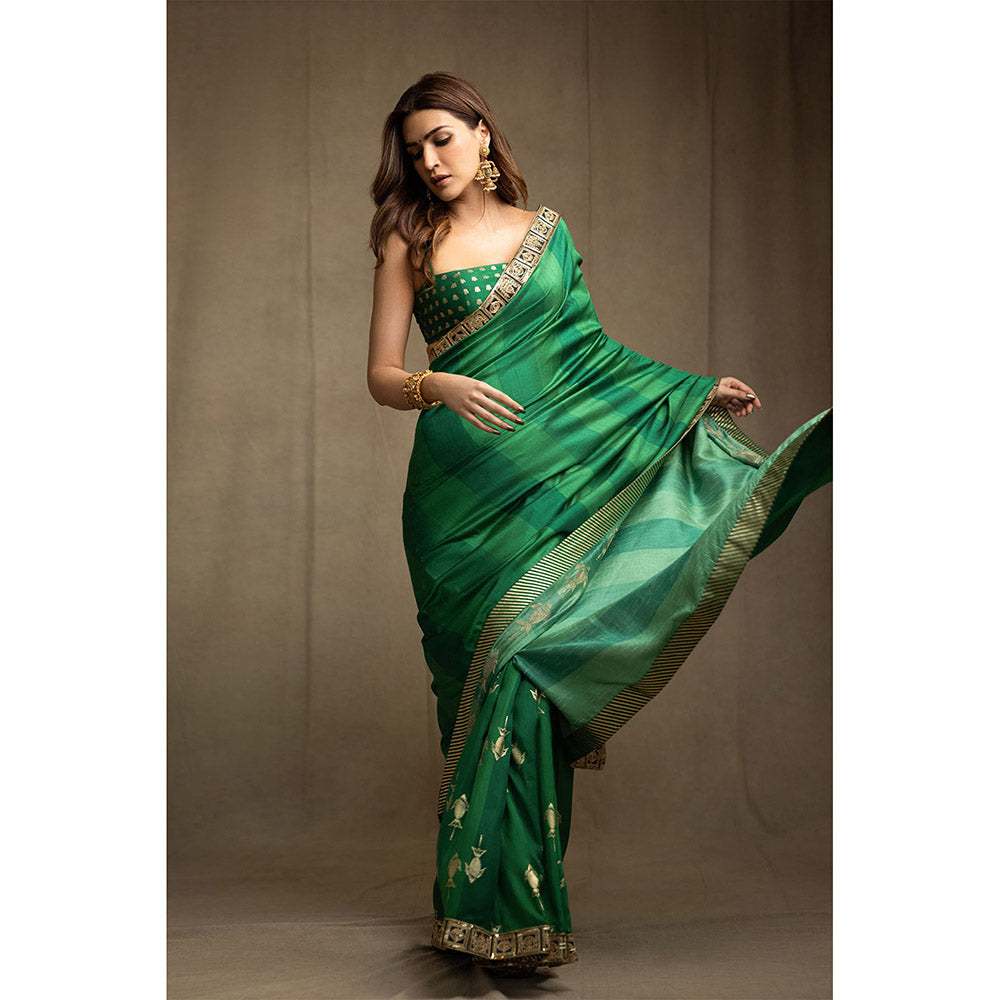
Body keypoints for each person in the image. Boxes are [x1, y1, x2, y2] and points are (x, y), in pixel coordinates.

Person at [366, 71, 831, 974]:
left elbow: (590, 357)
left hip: (558, 482)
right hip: (460, 497)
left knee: (527, 667)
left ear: (482, 133)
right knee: (472, 684)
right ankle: (472, 908)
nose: (429, 162)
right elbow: (382, 375)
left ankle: (521, 913)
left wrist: (691, 393)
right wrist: (438, 383)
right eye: (415, 150)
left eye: (442, 139)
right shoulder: (407, 240)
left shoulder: (549, 234)